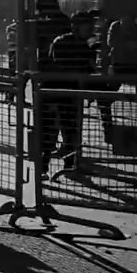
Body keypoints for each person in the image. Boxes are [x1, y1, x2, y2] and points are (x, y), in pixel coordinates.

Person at [42, 10, 100, 179]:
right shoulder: (62, 42)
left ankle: (69, 165)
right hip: (55, 92)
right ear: (76, 27)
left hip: (70, 94)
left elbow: (89, 69)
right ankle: (44, 167)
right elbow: (64, 66)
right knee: (51, 133)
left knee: (70, 132)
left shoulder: (85, 45)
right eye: (87, 25)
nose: (91, 28)